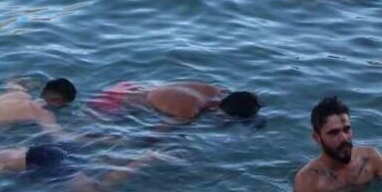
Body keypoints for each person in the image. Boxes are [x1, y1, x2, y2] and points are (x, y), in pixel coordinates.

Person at [87, 80, 260, 122]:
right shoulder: (189, 112)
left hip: (129, 86)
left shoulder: (216, 90)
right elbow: (154, 136)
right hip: (113, 104)